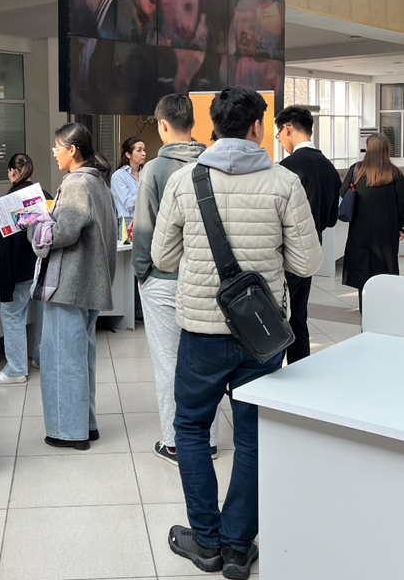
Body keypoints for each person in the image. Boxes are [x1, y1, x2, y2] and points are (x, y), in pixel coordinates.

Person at [152, 87, 321, 579]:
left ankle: (206, 542)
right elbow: (307, 262)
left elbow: (163, 257)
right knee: (252, 433)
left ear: (214, 127)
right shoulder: (284, 182)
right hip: (260, 334)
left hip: (201, 329)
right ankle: (238, 545)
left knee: (190, 427)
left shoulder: (184, 180)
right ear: (256, 128)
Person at [131, 94, 219, 466]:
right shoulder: (213, 163)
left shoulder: (154, 170)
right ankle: (208, 440)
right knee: (204, 363)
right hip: (207, 279)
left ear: (163, 125)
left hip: (164, 279)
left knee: (169, 362)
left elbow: (144, 229)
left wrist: (142, 273)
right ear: (193, 123)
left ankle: (174, 442)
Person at [28, 123, 117, 450]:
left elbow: (63, 233)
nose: (54, 152)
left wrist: (34, 224)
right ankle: (85, 425)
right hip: (87, 283)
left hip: (68, 284)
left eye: (58, 146)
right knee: (80, 357)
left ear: (73, 150)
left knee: (62, 360)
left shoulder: (77, 183)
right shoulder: (97, 182)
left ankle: (69, 432)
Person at [275, 106, 342, 362]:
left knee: (276, 317)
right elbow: (331, 219)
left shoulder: (287, 168)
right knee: (298, 316)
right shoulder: (329, 168)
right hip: (311, 253)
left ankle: (272, 373)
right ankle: (300, 368)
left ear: (287, 128)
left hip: (285, 256)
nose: (280, 140)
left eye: (278, 134)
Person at [0, 153, 51, 385]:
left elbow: (7, 248)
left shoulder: (8, 203)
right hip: (44, 268)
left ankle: (16, 369)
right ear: (31, 172)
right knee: (44, 316)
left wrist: (5, 283)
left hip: (19, 272)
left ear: (12, 173)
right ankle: (41, 358)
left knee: (13, 316)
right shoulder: (45, 197)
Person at [341, 132, 404, 313]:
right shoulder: (394, 173)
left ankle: (365, 307)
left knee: (362, 270)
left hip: (359, 231)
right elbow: (402, 204)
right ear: (386, 150)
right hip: (386, 233)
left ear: (368, 148)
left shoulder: (356, 170)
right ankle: (384, 308)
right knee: (385, 268)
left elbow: (342, 194)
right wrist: (401, 227)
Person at [110, 137, 146, 220]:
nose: (143, 153)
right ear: (128, 155)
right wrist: (146, 193)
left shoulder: (146, 173)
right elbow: (129, 204)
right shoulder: (119, 176)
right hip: (128, 220)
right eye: (139, 150)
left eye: (144, 150)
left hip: (146, 220)